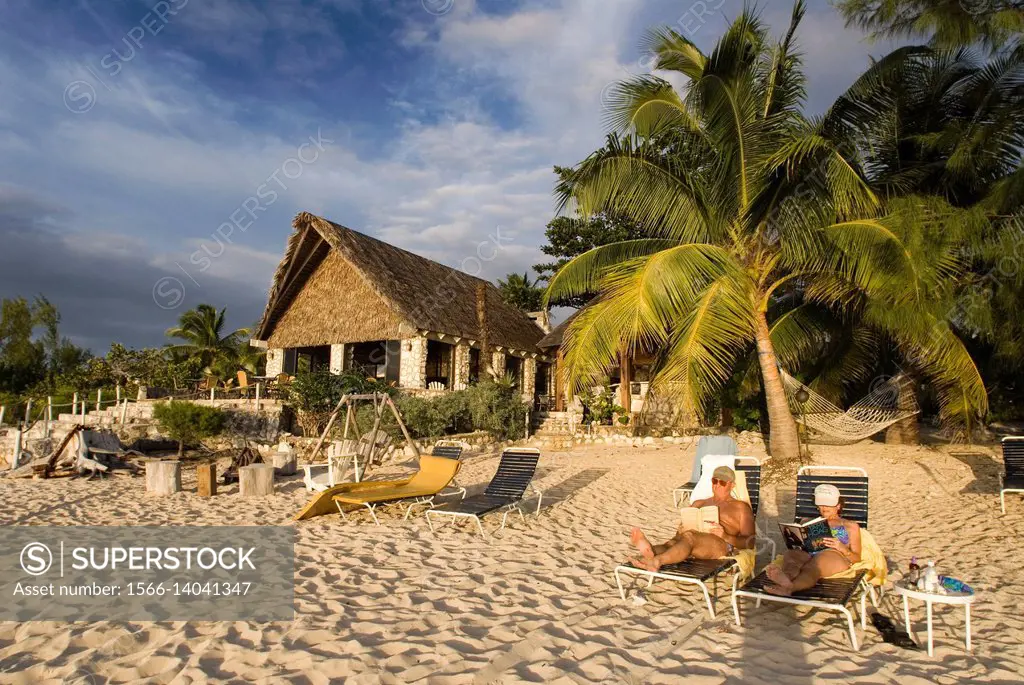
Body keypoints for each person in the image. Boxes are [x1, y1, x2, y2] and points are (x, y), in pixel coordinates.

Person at [629, 465, 755, 572]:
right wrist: (680, 529)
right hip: (693, 541)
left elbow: (750, 542)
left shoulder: (740, 507)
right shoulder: (699, 503)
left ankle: (657, 561)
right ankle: (647, 553)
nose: (716, 485)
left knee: (690, 536)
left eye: (722, 482)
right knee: (673, 542)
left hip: (721, 545)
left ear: (732, 485)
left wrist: (725, 535)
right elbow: (679, 535)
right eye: (714, 481)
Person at [765, 483, 862, 595]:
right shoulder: (806, 522)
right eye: (821, 504)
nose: (824, 507)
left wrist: (842, 548)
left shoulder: (850, 526)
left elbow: (857, 558)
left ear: (838, 505)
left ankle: (791, 588)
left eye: (828, 504)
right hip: (809, 553)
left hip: (834, 555)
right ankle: (785, 578)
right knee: (792, 556)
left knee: (814, 566)